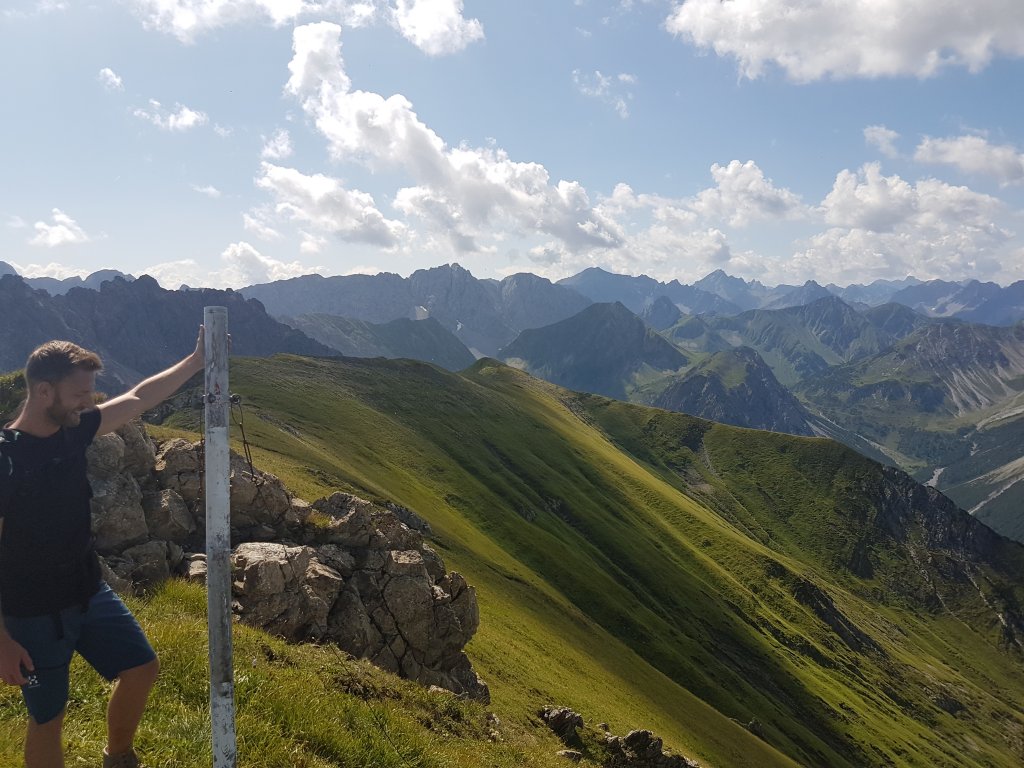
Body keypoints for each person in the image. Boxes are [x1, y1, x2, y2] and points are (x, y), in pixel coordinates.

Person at [0, 329, 206, 768]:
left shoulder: (71, 431)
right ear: (43, 390)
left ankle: (119, 757)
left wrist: (193, 362)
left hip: (88, 591)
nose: (88, 403)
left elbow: (136, 399)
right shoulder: (6, 461)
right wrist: (1, 640)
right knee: (48, 718)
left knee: (141, 669)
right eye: (79, 394)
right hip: (33, 612)